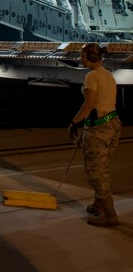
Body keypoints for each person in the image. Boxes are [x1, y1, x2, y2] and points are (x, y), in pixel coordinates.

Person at [68, 43, 122, 226]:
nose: (80, 58)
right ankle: (99, 205)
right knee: (102, 166)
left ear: (91, 57)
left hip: (99, 129)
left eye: (82, 56)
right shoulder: (107, 74)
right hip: (113, 124)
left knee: (96, 173)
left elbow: (90, 103)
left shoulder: (91, 76)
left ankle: (110, 215)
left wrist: (74, 122)